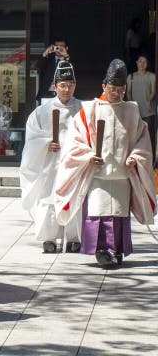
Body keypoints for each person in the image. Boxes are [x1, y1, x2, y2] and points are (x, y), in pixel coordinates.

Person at [54, 59, 156, 268]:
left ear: (125, 89)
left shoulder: (131, 110)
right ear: (104, 86)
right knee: (98, 212)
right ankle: (101, 250)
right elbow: (75, 140)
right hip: (97, 174)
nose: (116, 94)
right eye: (112, 89)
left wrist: (135, 157)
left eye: (120, 90)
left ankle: (117, 249)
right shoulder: (90, 109)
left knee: (118, 213)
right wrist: (88, 155)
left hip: (121, 173)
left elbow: (142, 140)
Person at [20, 61, 83, 253]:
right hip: (50, 163)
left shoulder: (83, 109)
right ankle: (48, 237)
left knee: (74, 197)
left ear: (75, 86)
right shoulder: (41, 112)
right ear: (54, 86)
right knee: (48, 197)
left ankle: (74, 237)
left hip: (74, 163)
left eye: (70, 85)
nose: (66, 89)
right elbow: (31, 140)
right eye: (62, 85)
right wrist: (46, 143)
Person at [126, 54, 156, 151]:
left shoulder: (152, 76)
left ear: (147, 64)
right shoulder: (131, 77)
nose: (142, 64)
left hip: (148, 111)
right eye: (140, 61)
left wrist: (149, 101)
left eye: (144, 62)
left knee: (149, 136)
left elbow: (153, 91)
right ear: (136, 63)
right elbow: (128, 93)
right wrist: (132, 106)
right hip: (136, 112)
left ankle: (151, 159)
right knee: (135, 136)